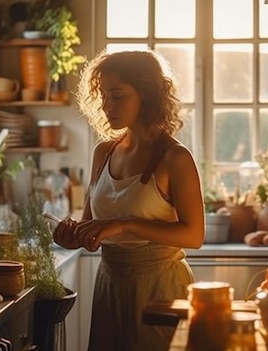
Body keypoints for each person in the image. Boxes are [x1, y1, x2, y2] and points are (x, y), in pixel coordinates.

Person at [52, 49, 205, 351]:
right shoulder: (103, 152)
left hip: (161, 287)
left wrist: (124, 224)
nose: (107, 105)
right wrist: (73, 236)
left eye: (118, 96)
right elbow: (91, 226)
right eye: (104, 95)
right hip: (110, 282)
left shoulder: (175, 157)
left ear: (148, 95)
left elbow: (194, 235)